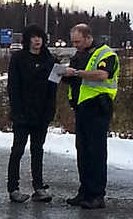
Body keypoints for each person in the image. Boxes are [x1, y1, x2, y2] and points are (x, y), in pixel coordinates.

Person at [63, 23, 119, 209]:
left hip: (97, 108)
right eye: (73, 42)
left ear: (88, 37)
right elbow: (75, 79)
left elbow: (102, 75)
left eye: (78, 41)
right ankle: (85, 191)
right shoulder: (79, 55)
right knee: (83, 151)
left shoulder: (106, 54)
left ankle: (97, 194)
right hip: (82, 108)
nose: (76, 45)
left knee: (96, 152)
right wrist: (64, 75)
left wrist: (77, 73)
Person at [7, 24, 58, 203]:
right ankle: (13, 188)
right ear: (27, 39)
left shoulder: (49, 59)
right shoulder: (18, 59)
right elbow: (13, 86)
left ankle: (39, 187)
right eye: (34, 37)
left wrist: (51, 110)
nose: (37, 40)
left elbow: (53, 87)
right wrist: (16, 110)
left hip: (41, 113)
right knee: (18, 150)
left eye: (40, 37)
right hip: (22, 113)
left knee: (38, 150)